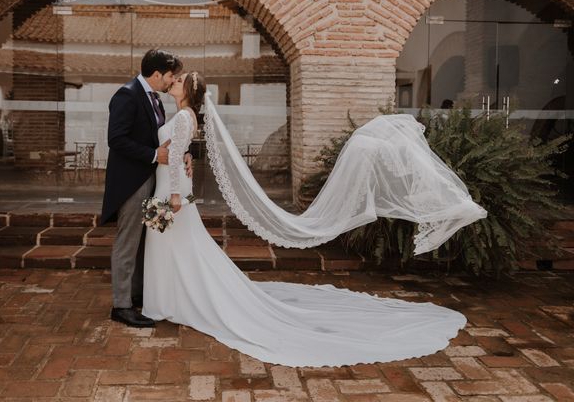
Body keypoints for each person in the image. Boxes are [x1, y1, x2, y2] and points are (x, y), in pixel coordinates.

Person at [140, 71, 485, 367]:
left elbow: (173, 156)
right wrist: (179, 165)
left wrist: (173, 196)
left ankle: (173, 301)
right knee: (180, 247)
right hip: (171, 185)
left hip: (171, 191)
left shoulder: (184, 117)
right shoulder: (182, 115)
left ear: (189, 91)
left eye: (181, 79)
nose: (175, 80)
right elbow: (179, 152)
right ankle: (174, 299)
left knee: (176, 244)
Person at [101, 49, 192, 329]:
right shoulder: (127, 95)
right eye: (169, 76)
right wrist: (154, 156)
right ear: (156, 75)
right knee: (128, 241)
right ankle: (121, 305)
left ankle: (136, 293)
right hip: (131, 181)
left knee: (142, 241)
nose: (171, 81)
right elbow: (116, 139)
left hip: (151, 179)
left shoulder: (154, 99)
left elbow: (163, 139)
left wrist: (183, 154)